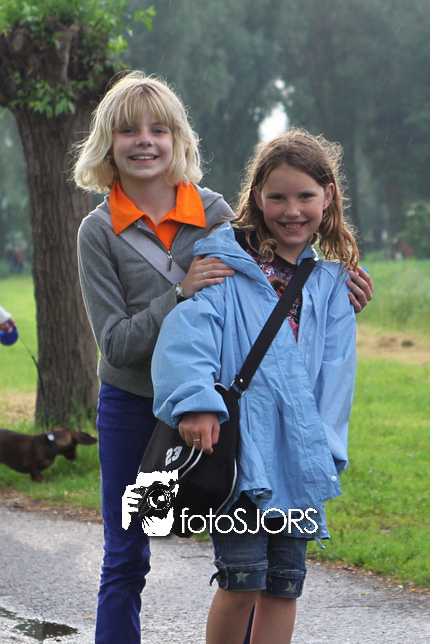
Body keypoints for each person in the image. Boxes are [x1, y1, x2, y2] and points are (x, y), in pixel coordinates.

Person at [73, 70, 372, 644]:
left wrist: (338, 289)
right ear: (107, 143)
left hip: (225, 411)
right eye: (129, 131)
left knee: (257, 567)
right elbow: (116, 344)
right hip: (135, 404)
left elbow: (278, 271)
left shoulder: (214, 213)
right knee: (127, 553)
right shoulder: (98, 231)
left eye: (159, 129)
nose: (145, 141)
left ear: (178, 138)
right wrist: (179, 292)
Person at [151, 128, 360, 644]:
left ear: (328, 196)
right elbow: (187, 337)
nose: (293, 210)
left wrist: (326, 448)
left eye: (305, 196)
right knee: (241, 582)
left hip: (299, 461)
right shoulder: (223, 267)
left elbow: (337, 375)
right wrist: (197, 404)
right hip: (243, 458)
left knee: (285, 586)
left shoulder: (331, 286)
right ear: (257, 198)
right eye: (278, 197)